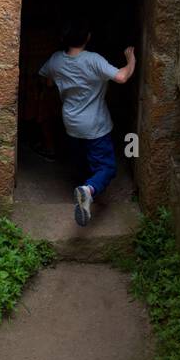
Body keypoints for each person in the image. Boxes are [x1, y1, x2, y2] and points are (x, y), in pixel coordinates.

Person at [39, 25, 136, 227]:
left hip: (71, 122)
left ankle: (84, 184)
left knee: (81, 160)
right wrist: (131, 59)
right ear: (88, 37)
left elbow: (48, 82)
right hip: (95, 125)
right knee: (107, 168)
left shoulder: (56, 59)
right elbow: (122, 77)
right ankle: (89, 190)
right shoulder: (93, 59)